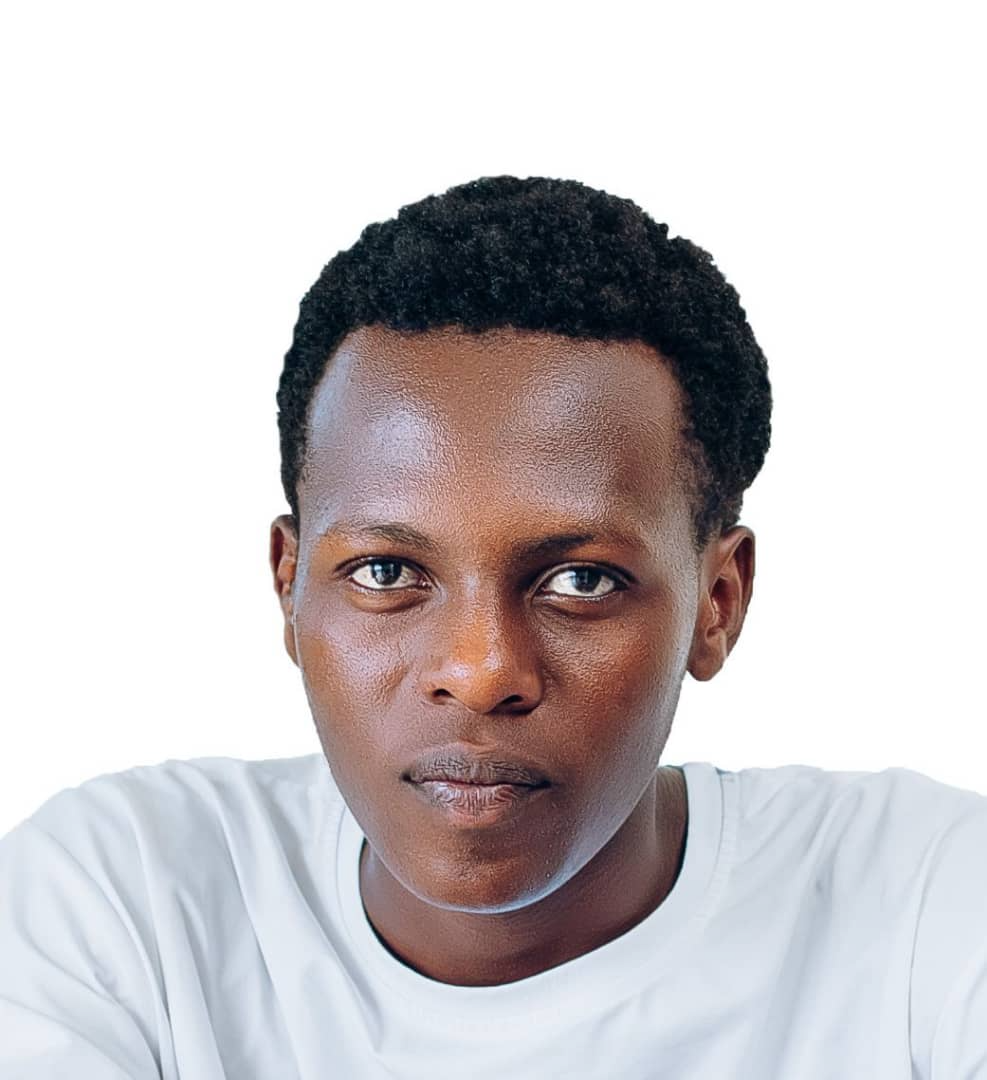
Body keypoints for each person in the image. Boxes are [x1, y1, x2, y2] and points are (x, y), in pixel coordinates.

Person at [1, 176, 984, 1079]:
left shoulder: (926, 902)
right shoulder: (123, 899)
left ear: (716, 604)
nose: (479, 672)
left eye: (580, 581)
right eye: (387, 573)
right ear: (289, 588)